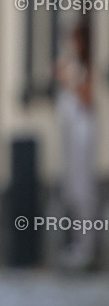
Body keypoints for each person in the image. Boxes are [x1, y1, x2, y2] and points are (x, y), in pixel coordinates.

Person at [56, 21, 95, 270]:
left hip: (82, 132)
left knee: (83, 190)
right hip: (70, 133)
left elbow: (87, 100)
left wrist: (70, 80)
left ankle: (86, 247)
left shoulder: (85, 70)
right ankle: (77, 245)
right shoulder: (70, 64)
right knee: (71, 188)